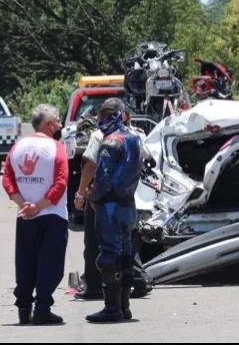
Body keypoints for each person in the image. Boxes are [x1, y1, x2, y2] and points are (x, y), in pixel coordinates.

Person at [74, 113, 152, 301]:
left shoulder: (102, 137)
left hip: (107, 203)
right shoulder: (137, 136)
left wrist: (84, 193)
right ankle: (133, 291)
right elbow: (148, 159)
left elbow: (93, 167)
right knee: (126, 248)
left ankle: (101, 295)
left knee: (99, 247)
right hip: (130, 199)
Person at [2, 104, 68, 326]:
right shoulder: (57, 147)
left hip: (26, 217)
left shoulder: (18, 146)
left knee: (25, 262)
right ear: (49, 125)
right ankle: (42, 309)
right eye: (58, 120)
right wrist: (39, 206)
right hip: (52, 215)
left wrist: (24, 204)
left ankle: (23, 308)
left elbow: (7, 179)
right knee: (50, 263)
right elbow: (61, 183)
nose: (61, 124)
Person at [86, 99, 143, 323]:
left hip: (110, 206)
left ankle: (112, 309)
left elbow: (102, 178)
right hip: (128, 204)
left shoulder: (111, 142)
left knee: (109, 256)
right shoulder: (136, 139)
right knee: (126, 255)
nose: (100, 122)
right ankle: (124, 306)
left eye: (103, 117)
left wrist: (92, 196)